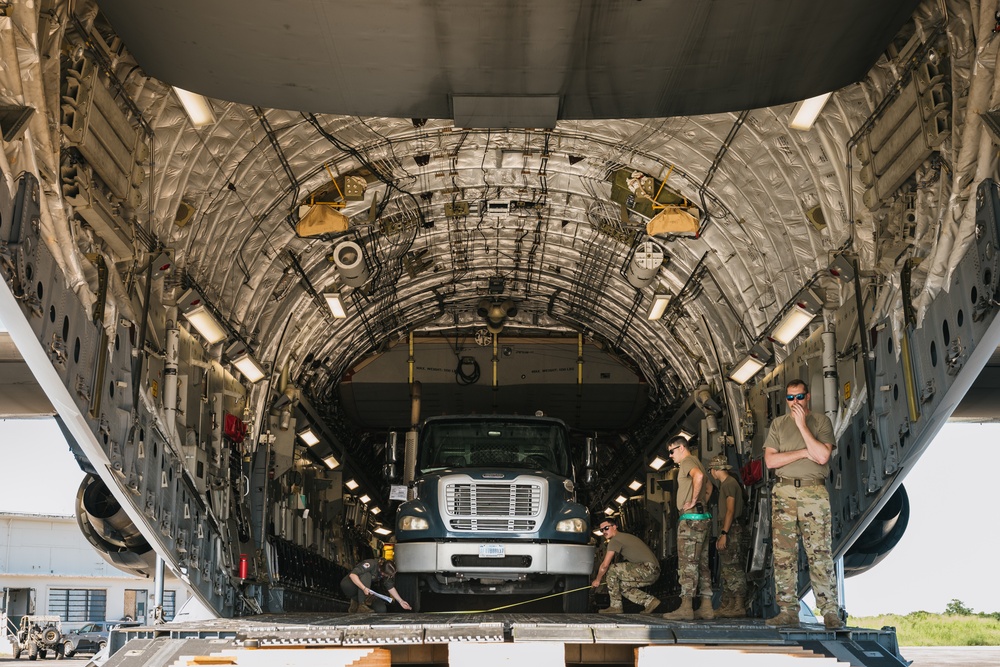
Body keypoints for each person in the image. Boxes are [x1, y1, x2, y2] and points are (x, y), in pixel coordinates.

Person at [763, 379, 843, 630]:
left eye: (798, 397)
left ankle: (829, 611)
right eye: (789, 398)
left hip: (813, 493)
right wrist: (802, 452)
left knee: (819, 552)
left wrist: (801, 426)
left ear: (808, 397)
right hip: (784, 491)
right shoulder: (778, 424)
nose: (794, 402)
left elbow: (822, 456)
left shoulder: (820, 422)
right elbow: (770, 462)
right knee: (784, 555)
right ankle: (787, 611)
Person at [662, 436, 714, 621]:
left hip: (691, 520)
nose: (670, 456)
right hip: (702, 517)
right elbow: (708, 487)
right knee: (702, 563)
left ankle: (686, 607)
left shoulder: (687, 462)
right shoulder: (698, 462)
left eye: (671, 451)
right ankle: (707, 607)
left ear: (682, 448)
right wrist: (701, 504)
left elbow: (698, 477)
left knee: (687, 564)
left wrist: (692, 502)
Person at [591, 517, 661, 614]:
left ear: (614, 527)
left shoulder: (615, 540)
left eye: (606, 528)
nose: (604, 532)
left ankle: (615, 607)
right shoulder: (624, 537)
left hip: (648, 569)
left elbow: (605, 565)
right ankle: (650, 602)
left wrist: (597, 580)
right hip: (653, 572)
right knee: (622, 586)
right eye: (601, 530)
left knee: (612, 569)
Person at [708, 454, 748, 618]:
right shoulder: (728, 484)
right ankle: (730, 604)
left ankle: (738, 605)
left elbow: (730, 510)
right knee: (727, 568)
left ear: (715, 469)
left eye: (711, 469)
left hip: (731, 529)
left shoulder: (728, 484)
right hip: (728, 527)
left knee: (733, 567)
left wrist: (724, 533)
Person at [340, 557, 413, 613]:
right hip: (349, 586)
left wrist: (401, 601)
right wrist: (364, 588)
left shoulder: (385, 574)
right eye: (388, 575)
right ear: (382, 571)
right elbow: (352, 575)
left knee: (381, 608)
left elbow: (390, 587)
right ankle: (361, 605)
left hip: (360, 592)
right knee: (366, 575)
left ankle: (355, 606)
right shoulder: (371, 564)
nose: (389, 577)